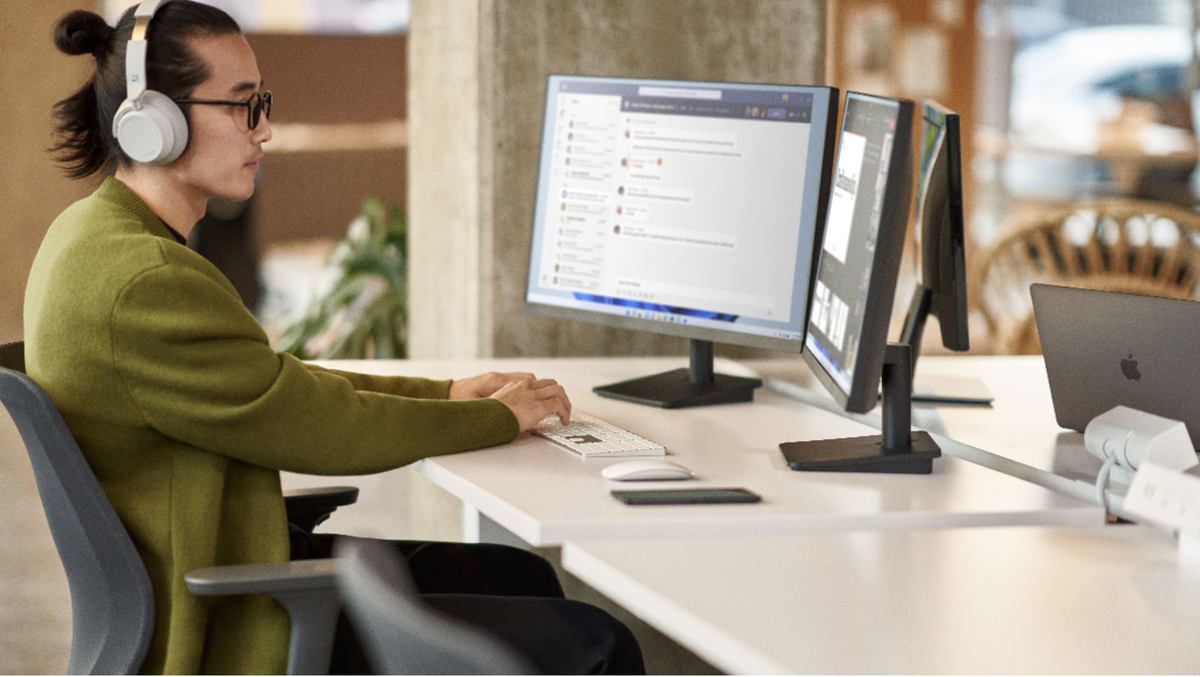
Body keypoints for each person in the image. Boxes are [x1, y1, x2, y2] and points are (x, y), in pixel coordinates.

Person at [28, 2, 644, 674]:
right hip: (229, 619)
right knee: (598, 644)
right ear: (155, 126)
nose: (265, 131)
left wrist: (446, 393)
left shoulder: (92, 236)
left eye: (262, 101)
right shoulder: (143, 279)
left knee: (517, 576)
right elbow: (321, 425)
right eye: (243, 106)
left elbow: (276, 384)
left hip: (225, 561)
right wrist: (490, 418)